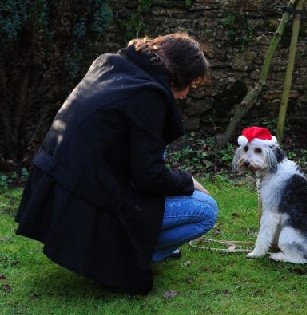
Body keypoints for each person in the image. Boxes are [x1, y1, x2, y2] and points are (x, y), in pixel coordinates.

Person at [15, 32, 218, 294]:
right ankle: (133, 253)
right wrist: (187, 181)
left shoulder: (112, 65)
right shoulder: (148, 95)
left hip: (57, 189)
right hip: (88, 200)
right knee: (206, 209)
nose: (186, 93)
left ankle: (138, 245)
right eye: (189, 83)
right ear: (177, 75)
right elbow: (149, 176)